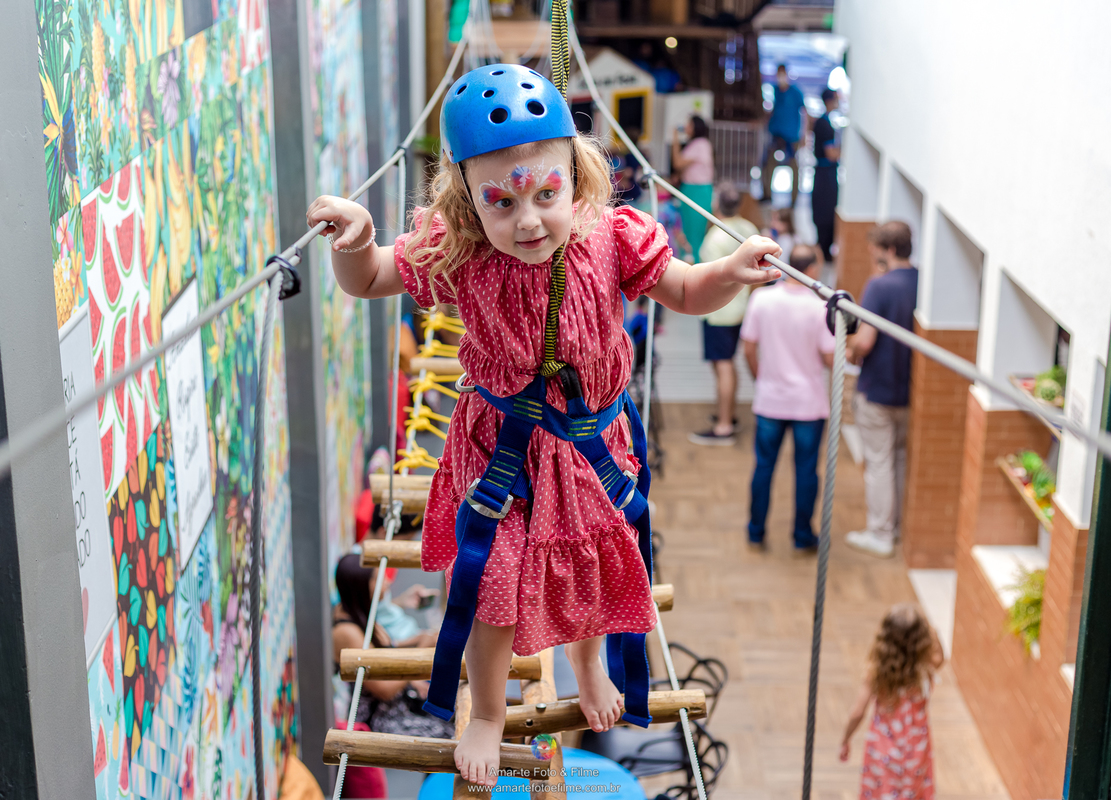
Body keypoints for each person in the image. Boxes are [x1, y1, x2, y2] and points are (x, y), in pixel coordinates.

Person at [306, 63, 783, 787]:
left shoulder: (611, 237)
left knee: (592, 568)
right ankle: (491, 712)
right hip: (505, 456)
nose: (527, 220)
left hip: (590, 449)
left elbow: (684, 287)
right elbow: (371, 276)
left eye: (546, 194)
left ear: (576, 175)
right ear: (466, 201)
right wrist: (356, 238)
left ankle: (590, 666)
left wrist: (731, 272)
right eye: (500, 202)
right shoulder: (460, 250)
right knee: (492, 588)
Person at [740, 244, 834, 549]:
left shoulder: (762, 299)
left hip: (770, 400)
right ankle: (802, 535)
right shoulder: (820, 307)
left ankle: (756, 531)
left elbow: (749, 348)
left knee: (763, 467)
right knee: (806, 472)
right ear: (814, 270)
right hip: (808, 404)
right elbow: (830, 357)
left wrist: (762, 378)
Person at [844, 221, 918, 558]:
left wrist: (849, 349)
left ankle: (880, 533)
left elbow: (865, 340)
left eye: (876, 252)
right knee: (899, 459)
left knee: (878, 463)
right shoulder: (920, 282)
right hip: (909, 390)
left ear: (888, 250)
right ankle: (899, 528)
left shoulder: (879, 286)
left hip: (878, 390)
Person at [331, 554, 453, 737]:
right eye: (377, 578)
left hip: (399, 703)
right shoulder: (347, 632)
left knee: (454, 709)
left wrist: (422, 638)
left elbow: (385, 649)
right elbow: (384, 690)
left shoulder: (358, 611)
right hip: (378, 717)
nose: (386, 582)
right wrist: (420, 650)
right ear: (361, 585)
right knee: (449, 734)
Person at [840, 604, 944, 799]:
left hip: (883, 753)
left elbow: (857, 712)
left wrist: (846, 739)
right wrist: (932, 632)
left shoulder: (877, 673)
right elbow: (941, 656)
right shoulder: (926, 668)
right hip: (916, 751)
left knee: (882, 792)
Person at [689, 184, 760, 445]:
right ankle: (727, 413)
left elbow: (706, 278)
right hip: (741, 308)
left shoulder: (715, 238)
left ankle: (723, 426)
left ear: (718, 205)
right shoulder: (750, 231)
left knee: (723, 366)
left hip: (719, 312)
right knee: (728, 362)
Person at [671, 115, 715, 260]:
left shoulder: (700, 144)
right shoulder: (698, 144)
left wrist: (675, 138)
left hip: (697, 191)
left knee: (693, 232)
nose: (686, 127)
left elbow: (678, 163)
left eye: (689, 124)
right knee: (688, 230)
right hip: (693, 190)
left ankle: (693, 264)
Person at [761, 65, 805, 204]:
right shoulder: (775, 91)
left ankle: (794, 200)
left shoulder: (796, 93)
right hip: (776, 136)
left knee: (794, 168)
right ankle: (767, 195)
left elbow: (805, 113)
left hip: (791, 139)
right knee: (768, 165)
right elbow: (772, 111)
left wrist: (805, 135)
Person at [811, 89, 840, 262]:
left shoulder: (822, 122)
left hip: (823, 173)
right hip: (825, 174)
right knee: (826, 211)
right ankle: (823, 248)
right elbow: (831, 154)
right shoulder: (825, 125)